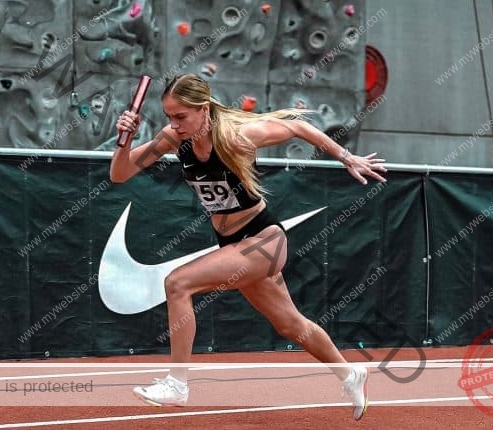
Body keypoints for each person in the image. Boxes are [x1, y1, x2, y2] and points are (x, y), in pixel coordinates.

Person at [110, 73, 386, 421]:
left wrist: (347, 157)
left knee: (177, 283)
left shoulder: (237, 136)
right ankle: (350, 374)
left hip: (263, 241)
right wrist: (126, 140)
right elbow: (119, 174)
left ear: (204, 110)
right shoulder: (172, 139)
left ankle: (177, 384)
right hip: (233, 244)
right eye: (168, 116)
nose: (173, 124)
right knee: (290, 324)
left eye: (181, 116)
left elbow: (298, 127)